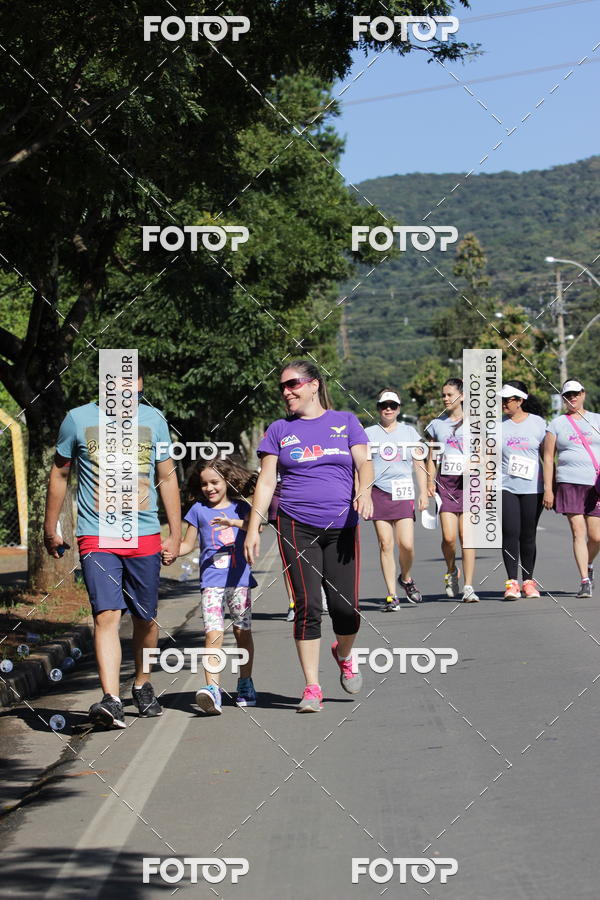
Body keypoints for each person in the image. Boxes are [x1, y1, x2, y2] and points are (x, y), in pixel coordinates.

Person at [43, 364, 181, 729]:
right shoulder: (77, 420)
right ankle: (111, 699)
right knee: (106, 614)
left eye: (133, 386)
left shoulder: (154, 420)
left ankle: (142, 683)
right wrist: (49, 526)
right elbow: (60, 472)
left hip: (145, 533)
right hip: (97, 534)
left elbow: (167, 476)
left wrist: (176, 533)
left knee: (145, 617)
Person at [244, 359, 373, 713]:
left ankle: (343, 653)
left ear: (314, 384)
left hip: (342, 526)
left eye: (293, 384)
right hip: (295, 525)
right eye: (282, 387)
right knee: (308, 605)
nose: (286, 392)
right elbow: (266, 481)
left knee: (346, 609)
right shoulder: (278, 430)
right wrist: (254, 527)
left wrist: (363, 491)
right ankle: (312, 687)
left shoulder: (345, 422)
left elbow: (364, 463)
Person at [179, 458, 257, 714]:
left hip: (239, 580)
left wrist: (232, 523)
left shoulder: (240, 507)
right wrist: (170, 551)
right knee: (213, 633)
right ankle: (213, 689)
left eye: (215, 482)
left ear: (227, 481)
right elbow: (187, 544)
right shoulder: (197, 510)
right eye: (204, 484)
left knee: (242, 632)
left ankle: (245, 683)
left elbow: (256, 527)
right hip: (211, 583)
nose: (209, 488)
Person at [365, 389, 427, 609]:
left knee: (406, 545)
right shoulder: (368, 434)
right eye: (384, 405)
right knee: (385, 544)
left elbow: (419, 463)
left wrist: (423, 492)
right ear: (378, 408)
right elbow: (362, 466)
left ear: (399, 408)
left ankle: (406, 578)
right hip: (379, 492)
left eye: (392, 405)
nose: (388, 409)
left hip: (403, 491)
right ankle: (392, 595)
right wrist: (362, 494)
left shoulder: (409, 432)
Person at [544, 379, 600, 598]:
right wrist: (549, 489)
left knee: (596, 537)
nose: (572, 398)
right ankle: (584, 581)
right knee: (578, 532)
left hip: (595, 484)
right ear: (563, 398)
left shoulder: (596, 419)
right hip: (569, 483)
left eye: (576, 393)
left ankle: (588, 565)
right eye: (568, 395)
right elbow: (549, 458)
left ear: (583, 394)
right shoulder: (556, 424)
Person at [425, 379, 478, 602]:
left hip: (469, 484)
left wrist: (475, 464)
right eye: (443, 395)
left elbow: (485, 453)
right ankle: (451, 570)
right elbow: (431, 457)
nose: (445, 398)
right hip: (445, 485)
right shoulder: (437, 425)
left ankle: (469, 586)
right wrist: (429, 482)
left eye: (450, 394)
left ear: (462, 396)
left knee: (467, 536)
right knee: (449, 538)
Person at [499, 381, 546, 600]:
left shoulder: (538, 423)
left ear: (520, 400)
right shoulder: (497, 425)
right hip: (505, 486)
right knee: (510, 533)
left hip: (532, 487)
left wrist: (550, 488)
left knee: (528, 535)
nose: (503, 403)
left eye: (507, 400)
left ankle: (528, 582)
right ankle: (512, 583)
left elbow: (547, 457)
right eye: (501, 399)